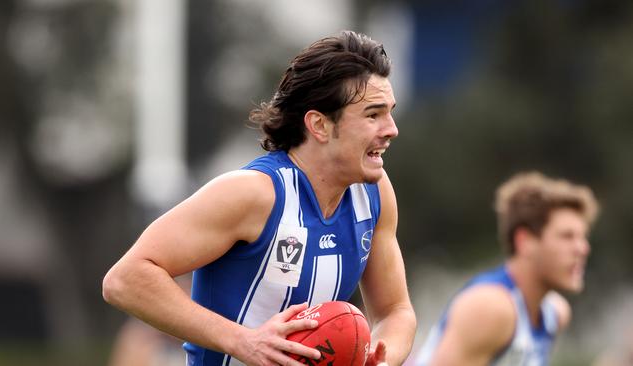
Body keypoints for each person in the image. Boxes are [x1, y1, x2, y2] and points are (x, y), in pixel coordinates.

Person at [103, 30, 417, 366]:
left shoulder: (374, 193)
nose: (391, 129)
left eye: (390, 112)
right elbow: (125, 279)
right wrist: (242, 341)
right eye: (373, 114)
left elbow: (395, 311)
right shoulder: (255, 193)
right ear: (320, 125)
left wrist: (378, 359)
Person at [414, 171, 599, 366]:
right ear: (524, 241)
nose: (583, 248)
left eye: (582, 237)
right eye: (566, 236)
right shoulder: (491, 308)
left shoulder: (555, 313)